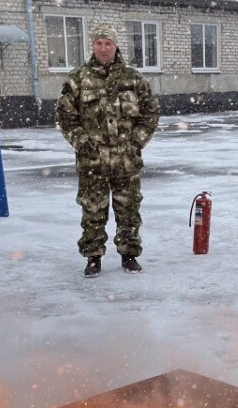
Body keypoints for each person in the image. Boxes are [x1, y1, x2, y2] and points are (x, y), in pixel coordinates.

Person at [56, 23, 160, 277]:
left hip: (127, 160)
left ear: (116, 47)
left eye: (109, 43)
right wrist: (83, 144)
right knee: (92, 210)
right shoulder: (78, 79)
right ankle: (93, 258)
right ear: (92, 46)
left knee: (129, 210)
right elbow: (65, 117)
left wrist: (136, 141)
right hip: (93, 162)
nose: (104, 48)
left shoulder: (133, 79)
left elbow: (150, 112)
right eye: (99, 43)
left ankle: (129, 254)